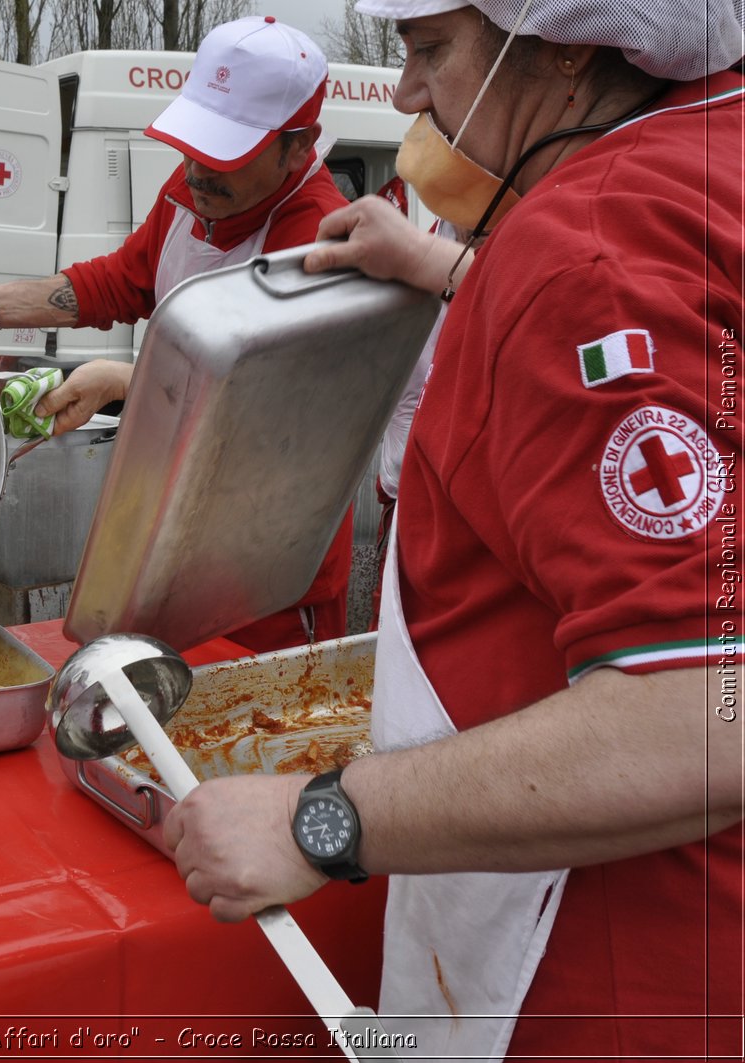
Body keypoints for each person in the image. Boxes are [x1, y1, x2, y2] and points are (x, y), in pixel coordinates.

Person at [165, 1, 744, 1058]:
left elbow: (709, 712)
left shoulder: (590, 251)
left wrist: (320, 818)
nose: (404, 95)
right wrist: (440, 268)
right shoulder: (708, 149)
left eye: (430, 50)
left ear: (568, 44)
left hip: (613, 962)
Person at [0, 14, 355, 654]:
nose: (197, 173)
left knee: (254, 734)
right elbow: (124, 279)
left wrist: (124, 380)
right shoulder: (193, 191)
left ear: (299, 146)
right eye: (193, 146)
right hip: (171, 529)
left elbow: (271, 406)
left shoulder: (321, 239)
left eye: (225, 155)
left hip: (270, 568)